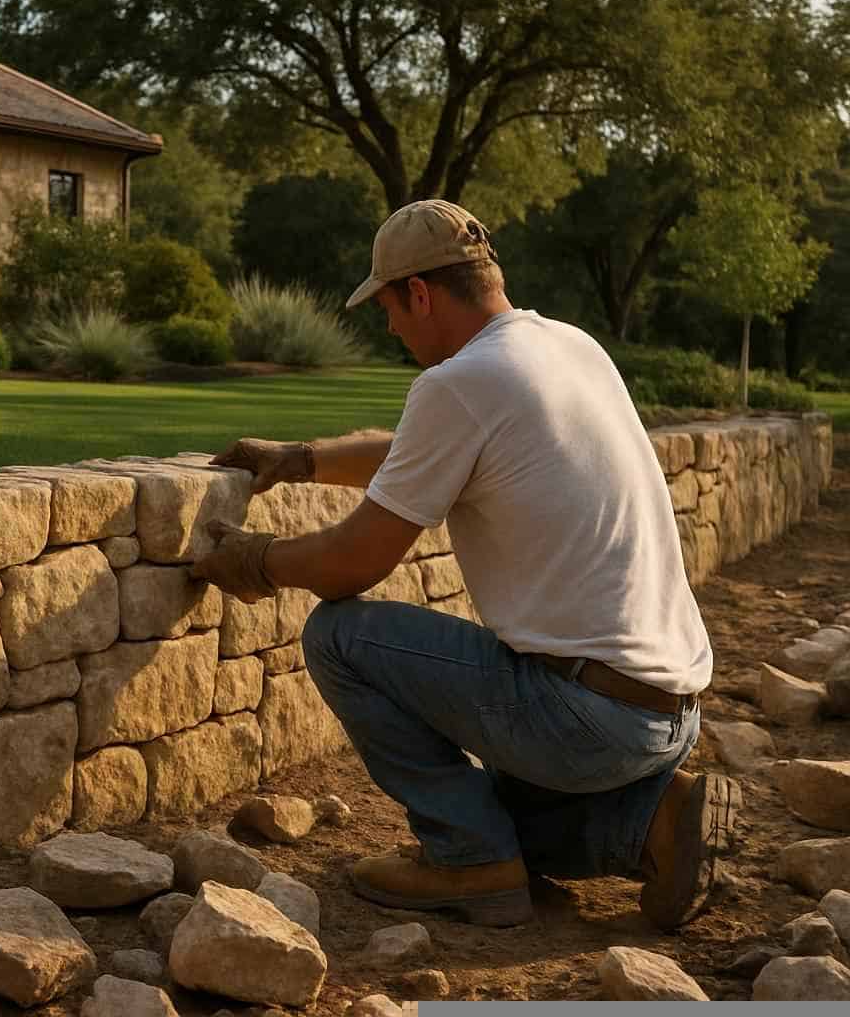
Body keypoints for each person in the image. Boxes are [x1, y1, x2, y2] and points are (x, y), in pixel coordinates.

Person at [191, 200, 739, 929]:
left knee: (339, 636)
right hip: (666, 715)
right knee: (508, 815)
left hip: (586, 718)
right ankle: (656, 823)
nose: (389, 327)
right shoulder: (567, 347)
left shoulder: (461, 383)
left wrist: (255, 561)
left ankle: (466, 860)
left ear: (418, 293)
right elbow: (432, 458)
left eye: (388, 306)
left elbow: (353, 565)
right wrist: (303, 460)